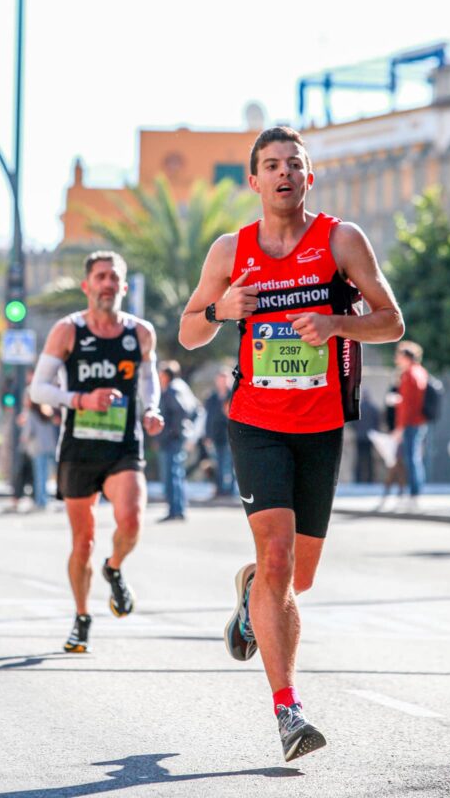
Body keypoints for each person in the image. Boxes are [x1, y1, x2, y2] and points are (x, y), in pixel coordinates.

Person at [178, 126, 404, 762]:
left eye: (294, 165)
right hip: (256, 420)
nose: (283, 174)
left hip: (320, 423)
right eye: (271, 165)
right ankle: (288, 711)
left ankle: (250, 593)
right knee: (277, 556)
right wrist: (224, 309)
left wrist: (335, 321)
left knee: (294, 576)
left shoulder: (340, 240)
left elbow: (392, 321)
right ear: (253, 181)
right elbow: (189, 331)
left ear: (310, 177)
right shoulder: (232, 250)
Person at [30, 250, 164, 653]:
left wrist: (152, 409)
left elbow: (148, 380)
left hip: (123, 444)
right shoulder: (68, 331)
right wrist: (82, 400)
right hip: (78, 448)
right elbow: (39, 389)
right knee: (83, 540)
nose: (107, 284)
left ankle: (115, 568)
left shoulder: (140, 332)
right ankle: (82, 617)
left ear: (123, 287)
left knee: (132, 520)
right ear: (87, 286)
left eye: (114, 277)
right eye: (100, 277)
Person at [157, 360, 200, 521]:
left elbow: (181, 412)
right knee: (177, 473)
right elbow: (195, 410)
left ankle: (174, 510)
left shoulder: (173, 389)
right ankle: (178, 509)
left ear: (166, 375)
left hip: (172, 439)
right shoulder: (182, 386)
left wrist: (172, 432)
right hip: (177, 438)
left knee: (171, 475)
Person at [393, 342, 428, 504]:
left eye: (399, 356)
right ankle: (416, 489)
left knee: (411, 457)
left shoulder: (409, 375)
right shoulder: (421, 371)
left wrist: (399, 427)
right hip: (419, 421)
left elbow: (407, 405)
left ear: (406, 357)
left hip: (410, 422)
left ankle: (414, 491)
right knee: (415, 457)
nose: (397, 360)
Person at [204, 366, 237, 496]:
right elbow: (208, 418)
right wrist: (207, 435)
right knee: (218, 463)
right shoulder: (211, 398)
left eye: (225, 379)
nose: (222, 382)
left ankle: (230, 490)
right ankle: (220, 490)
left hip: (231, 434)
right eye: (220, 379)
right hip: (216, 436)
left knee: (231, 464)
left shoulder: (233, 394)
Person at [21, 401, 59, 510]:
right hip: (50, 446)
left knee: (40, 476)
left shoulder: (31, 414)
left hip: (38, 448)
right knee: (47, 475)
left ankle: (41, 500)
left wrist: (23, 439)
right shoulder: (47, 413)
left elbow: (27, 432)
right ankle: (44, 499)